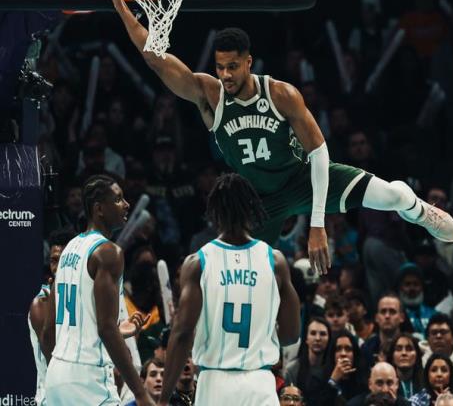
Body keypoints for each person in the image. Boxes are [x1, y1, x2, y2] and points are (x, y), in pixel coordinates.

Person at [102, 0, 453, 274]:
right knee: (235, 272)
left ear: (249, 62)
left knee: (394, 196)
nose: (225, 75)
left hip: (302, 180)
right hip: (258, 199)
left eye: (232, 67)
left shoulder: (280, 94)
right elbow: (156, 58)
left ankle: (419, 211)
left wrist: (317, 225)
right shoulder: (209, 94)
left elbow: (319, 153)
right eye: (220, 67)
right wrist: (119, 3)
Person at [157, 173, 301, 405]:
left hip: (215, 383)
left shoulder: (197, 263)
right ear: (252, 209)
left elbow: (182, 333)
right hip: (259, 383)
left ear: (214, 212)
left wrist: (163, 399)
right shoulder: (275, 261)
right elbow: (291, 335)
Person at [41, 174, 155, 405]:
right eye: (118, 199)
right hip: (88, 378)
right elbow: (106, 329)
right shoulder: (108, 252)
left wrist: (63, 374)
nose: (126, 204)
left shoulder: (69, 249)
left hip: (56, 375)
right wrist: (141, 393)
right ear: (99, 209)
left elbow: (49, 329)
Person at [28, 227, 76, 406]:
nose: (57, 268)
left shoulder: (83, 298)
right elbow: (54, 359)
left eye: (63, 260)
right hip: (52, 400)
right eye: (54, 260)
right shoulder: (40, 303)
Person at [362, 293, 406, 368]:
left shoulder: (410, 346)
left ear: (402, 317)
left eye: (392, 312)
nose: (387, 316)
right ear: (376, 317)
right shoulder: (366, 348)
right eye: (383, 311)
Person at [387, 333, 424, 400]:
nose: (404, 353)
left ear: (417, 355)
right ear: (392, 356)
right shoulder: (385, 386)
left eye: (409, 349)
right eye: (398, 349)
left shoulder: (426, 384)